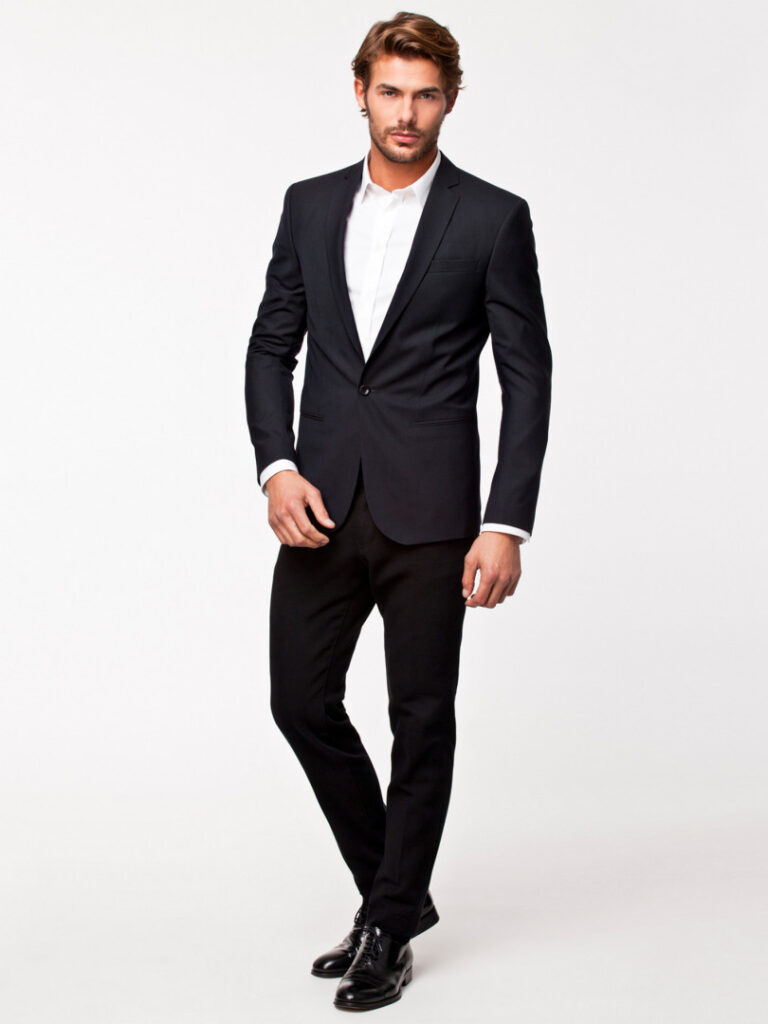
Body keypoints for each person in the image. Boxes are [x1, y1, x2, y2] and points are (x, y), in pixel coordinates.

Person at [244, 11, 552, 1013]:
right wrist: (277, 466)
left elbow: (527, 376)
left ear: (449, 101)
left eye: (425, 95)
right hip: (322, 501)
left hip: (435, 513)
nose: (406, 112)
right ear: (360, 93)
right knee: (300, 699)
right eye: (390, 92)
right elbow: (271, 346)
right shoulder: (308, 204)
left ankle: (384, 926)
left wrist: (506, 521)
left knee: (421, 721)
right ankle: (400, 894)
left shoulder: (492, 218)